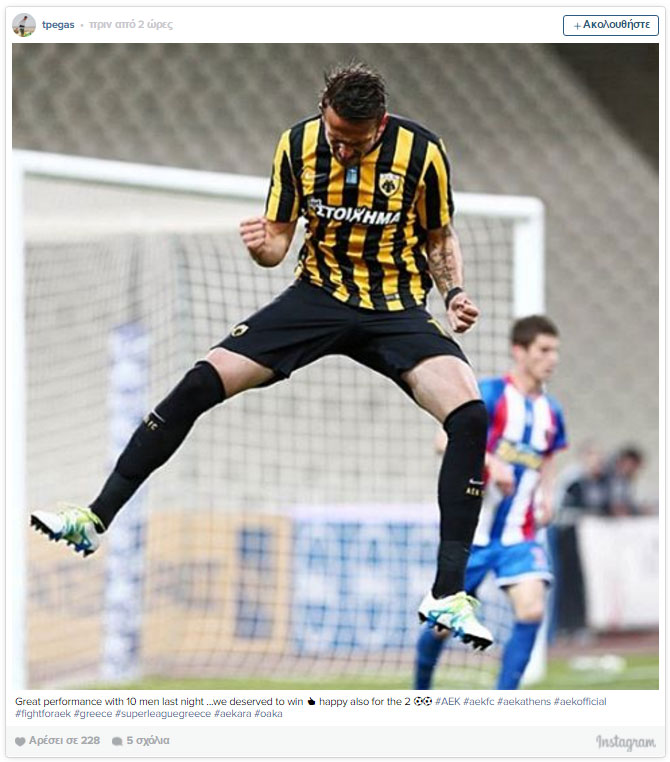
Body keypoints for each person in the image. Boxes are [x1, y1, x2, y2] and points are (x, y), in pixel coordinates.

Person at [31, 62, 492, 650]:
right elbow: (277, 244)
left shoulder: (422, 152)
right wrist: (260, 246)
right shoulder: (296, 145)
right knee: (201, 381)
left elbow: (438, 236)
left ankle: (447, 593)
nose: (342, 151)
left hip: (395, 306)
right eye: (334, 137)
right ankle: (94, 518)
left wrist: (453, 294)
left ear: (379, 126)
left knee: (470, 415)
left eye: (354, 143)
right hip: (317, 297)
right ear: (323, 114)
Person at [415, 315, 567, 688]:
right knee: (441, 626)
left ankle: (503, 702)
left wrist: (547, 496)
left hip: (520, 534)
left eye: (555, 351)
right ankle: (420, 693)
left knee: (532, 609)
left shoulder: (552, 412)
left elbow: (547, 458)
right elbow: (442, 440)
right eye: (544, 350)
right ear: (520, 351)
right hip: (475, 534)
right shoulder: (491, 393)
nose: (552, 359)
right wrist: (490, 462)